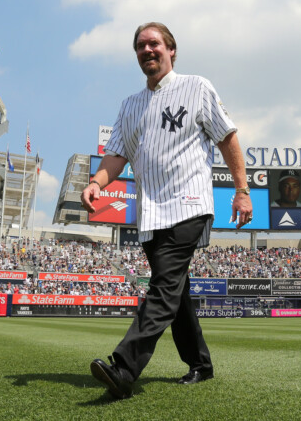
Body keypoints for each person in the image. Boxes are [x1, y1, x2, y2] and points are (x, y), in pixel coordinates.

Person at [82, 22, 252, 400]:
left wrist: (242, 190)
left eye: (154, 44)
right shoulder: (130, 105)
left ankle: (124, 369)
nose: (147, 50)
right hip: (151, 214)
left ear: (171, 49)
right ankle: (201, 364)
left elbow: (227, 137)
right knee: (175, 292)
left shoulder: (197, 87)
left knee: (162, 289)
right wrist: (97, 182)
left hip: (189, 204)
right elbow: (116, 154)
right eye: (140, 46)